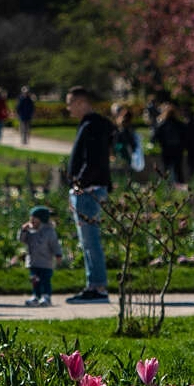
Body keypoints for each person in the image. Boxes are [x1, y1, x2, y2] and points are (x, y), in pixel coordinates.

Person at [64, 86, 114, 302]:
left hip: (88, 189)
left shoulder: (91, 126)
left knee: (90, 240)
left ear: (82, 103)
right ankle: (95, 284)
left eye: (70, 103)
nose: (68, 108)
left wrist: (79, 183)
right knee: (89, 241)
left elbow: (92, 160)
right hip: (92, 187)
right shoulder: (94, 125)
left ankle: (97, 286)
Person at [19, 205, 62, 306]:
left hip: (45, 262)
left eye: (35, 218)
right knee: (34, 280)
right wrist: (23, 230)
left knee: (44, 280)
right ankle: (36, 296)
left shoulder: (49, 232)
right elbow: (22, 240)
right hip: (33, 262)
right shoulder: (30, 231)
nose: (31, 220)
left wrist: (58, 255)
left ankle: (46, 296)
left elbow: (55, 244)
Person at [152, 103, 188, 186]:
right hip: (178, 149)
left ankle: (166, 184)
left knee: (166, 168)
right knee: (178, 168)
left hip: (166, 149)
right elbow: (185, 137)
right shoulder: (180, 124)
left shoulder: (162, 124)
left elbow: (155, 136)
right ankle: (179, 184)